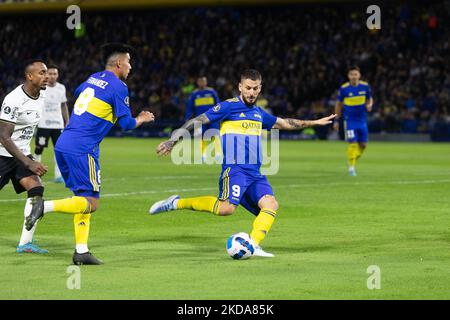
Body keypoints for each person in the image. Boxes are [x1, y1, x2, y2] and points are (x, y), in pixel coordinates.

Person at [150, 69, 336, 257]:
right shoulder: (228, 107)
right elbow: (198, 119)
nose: (251, 92)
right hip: (235, 169)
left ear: (260, 88)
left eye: (255, 88)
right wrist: (173, 140)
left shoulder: (258, 114)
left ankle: (253, 244)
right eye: (248, 87)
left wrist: (315, 122)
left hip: (255, 173)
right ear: (240, 87)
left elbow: (286, 123)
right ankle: (176, 203)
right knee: (226, 209)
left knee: (271, 205)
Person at [25, 43, 155, 265]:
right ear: (118, 64)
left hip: (65, 143)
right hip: (83, 148)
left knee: (81, 198)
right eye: (129, 62)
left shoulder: (93, 77)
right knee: (91, 203)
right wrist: (142, 117)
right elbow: (126, 123)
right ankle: (44, 207)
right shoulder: (119, 86)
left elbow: (78, 94)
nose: (131, 67)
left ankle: (81, 251)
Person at [0, 59, 50, 253]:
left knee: (36, 189)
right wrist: (29, 162)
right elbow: (4, 136)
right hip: (2, 154)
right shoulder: (13, 99)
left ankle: (25, 243)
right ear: (29, 76)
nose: (46, 77)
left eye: (46, 73)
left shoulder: (42, 97)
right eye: (41, 73)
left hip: (21, 153)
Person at [334, 66, 373, 176]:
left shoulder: (365, 86)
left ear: (359, 75)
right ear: (348, 76)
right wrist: (336, 120)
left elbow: (370, 99)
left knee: (363, 145)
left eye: (356, 74)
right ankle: (351, 167)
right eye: (352, 74)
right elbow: (338, 104)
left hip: (362, 121)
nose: (354, 77)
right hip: (349, 121)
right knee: (353, 144)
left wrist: (370, 105)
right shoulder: (344, 88)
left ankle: (352, 160)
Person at [33, 65, 69, 183]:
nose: (52, 76)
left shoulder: (61, 88)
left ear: (57, 75)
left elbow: (64, 106)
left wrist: (67, 121)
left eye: (55, 74)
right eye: (50, 74)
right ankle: (35, 173)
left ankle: (58, 176)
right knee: (39, 149)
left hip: (58, 125)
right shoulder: (41, 87)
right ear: (46, 74)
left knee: (58, 150)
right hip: (44, 124)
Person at [185, 76, 221, 160]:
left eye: (203, 81)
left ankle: (218, 153)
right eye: (200, 81)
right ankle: (203, 154)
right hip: (199, 118)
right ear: (197, 82)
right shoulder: (194, 94)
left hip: (212, 117)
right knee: (200, 136)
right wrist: (187, 117)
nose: (202, 83)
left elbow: (218, 104)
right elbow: (190, 107)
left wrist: (219, 115)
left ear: (206, 82)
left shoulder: (211, 92)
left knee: (215, 134)